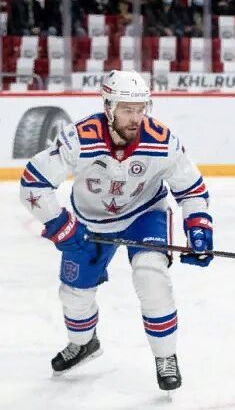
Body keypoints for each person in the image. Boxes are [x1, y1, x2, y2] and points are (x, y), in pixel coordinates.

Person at [18, 70, 214, 391]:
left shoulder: (163, 140)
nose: (135, 117)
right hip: (89, 223)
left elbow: (191, 188)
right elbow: (33, 183)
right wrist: (61, 227)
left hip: (144, 215)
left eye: (141, 109)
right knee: (74, 294)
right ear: (108, 106)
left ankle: (166, 356)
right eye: (126, 109)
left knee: (151, 276)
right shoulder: (78, 138)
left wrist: (199, 228)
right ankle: (84, 343)